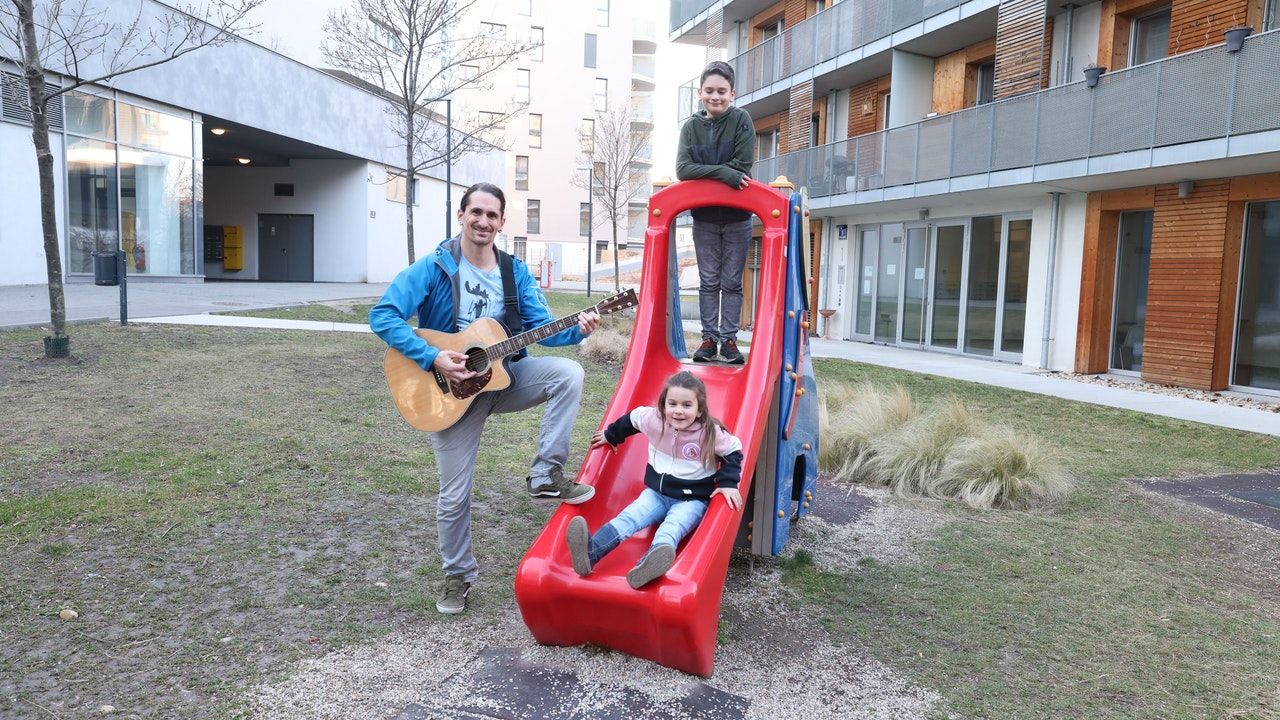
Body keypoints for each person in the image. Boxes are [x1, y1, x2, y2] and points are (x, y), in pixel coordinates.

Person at [370, 182, 601, 615]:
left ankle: (545, 475)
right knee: (454, 495)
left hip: (504, 377)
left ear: (501, 223)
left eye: (492, 215)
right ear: (461, 215)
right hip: (450, 393)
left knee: (569, 373)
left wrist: (580, 328)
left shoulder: (514, 271)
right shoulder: (434, 267)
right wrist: (434, 356)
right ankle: (457, 575)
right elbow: (383, 315)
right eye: (476, 212)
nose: (483, 221)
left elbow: (543, 326)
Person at [565, 371, 743, 589]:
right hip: (656, 494)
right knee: (628, 518)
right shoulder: (654, 420)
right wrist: (612, 435)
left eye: (687, 405)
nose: (678, 411)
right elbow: (631, 419)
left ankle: (647, 567)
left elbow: (734, 450)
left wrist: (728, 483)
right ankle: (590, 552)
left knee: (671, 528)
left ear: (699, 410)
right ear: (663, 405)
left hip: (691, 500)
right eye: (673, 404)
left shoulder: (709, 433)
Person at [676, 60, 756, 365]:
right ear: (700, 93)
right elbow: (684, 170)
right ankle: (709, 339)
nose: (715, 96)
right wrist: (723, 174)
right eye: (709, 90)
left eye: (722, 91)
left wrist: (707, 174)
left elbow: (742, 166)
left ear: (732, 93)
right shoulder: (692, 127)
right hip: (705, 217)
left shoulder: (741, 120)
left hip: (737, 217)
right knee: (708, 280)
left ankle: (730, 340)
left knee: (731, 281)